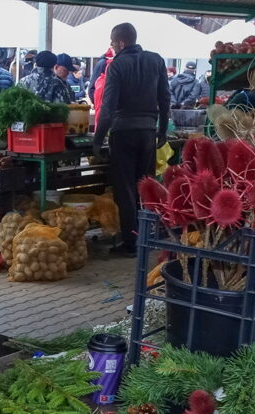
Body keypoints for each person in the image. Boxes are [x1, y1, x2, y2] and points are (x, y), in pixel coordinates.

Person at [92, 22, 170, 257]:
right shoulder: (156, 60)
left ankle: (131, 244)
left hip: (123, 133)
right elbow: (165, 98)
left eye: (112, 43)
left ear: (121, 42)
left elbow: (108, 108)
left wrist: (98, 140)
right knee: (146, 186)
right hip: (148, 132)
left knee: (125, 190)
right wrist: (162, 130)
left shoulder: (117, 65)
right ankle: (147, 238)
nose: (112, 47)